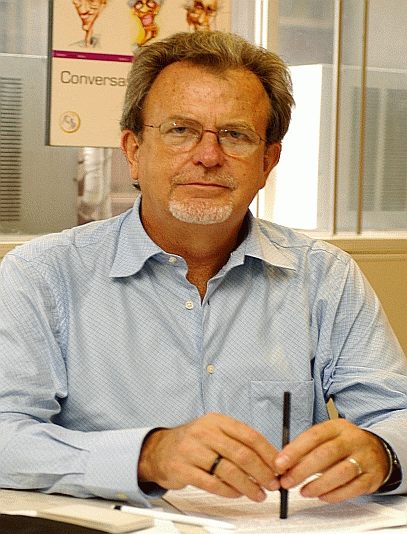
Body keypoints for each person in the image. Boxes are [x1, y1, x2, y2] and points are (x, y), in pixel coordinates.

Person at [0, 31, 406, 508]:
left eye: (235, 135)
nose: (209, 156)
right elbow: (6, 433)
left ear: (268, 161)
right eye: (180, 130)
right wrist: (147, 456)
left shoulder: (325, 277)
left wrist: (382, 454)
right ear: (133, 151)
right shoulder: (42, 275)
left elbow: (396, 414)